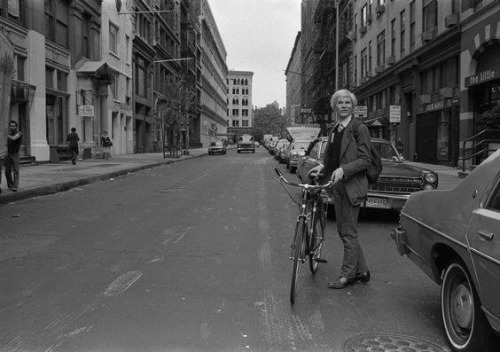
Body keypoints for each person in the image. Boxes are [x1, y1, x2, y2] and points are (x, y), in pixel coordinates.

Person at [309, 89, 372, 289]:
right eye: (340, 103)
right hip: (337, 186)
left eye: (347, 103)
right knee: (344, 230)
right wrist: (323, 167)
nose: (344, 106)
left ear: (353, 107)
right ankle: (362, 271)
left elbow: (365, 160)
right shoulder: (334, 129)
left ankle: (347, 276)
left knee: (348, 232)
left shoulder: (359, 128)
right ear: (335, 107)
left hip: (352, 186)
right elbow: (331, 156)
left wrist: (344, 170)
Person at [5, 120, 22, 192]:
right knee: (7, 171)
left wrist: (4, 135)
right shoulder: (8, 134)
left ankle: (15, 186)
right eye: (11, 126)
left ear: (16, 127)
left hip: (15, 154)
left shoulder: (19, 133)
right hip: (8, 153)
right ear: (9, 127)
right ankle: (10, 185)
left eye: (13, 126)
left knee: (16, 170)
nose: (12, 127)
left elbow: (14, 138)